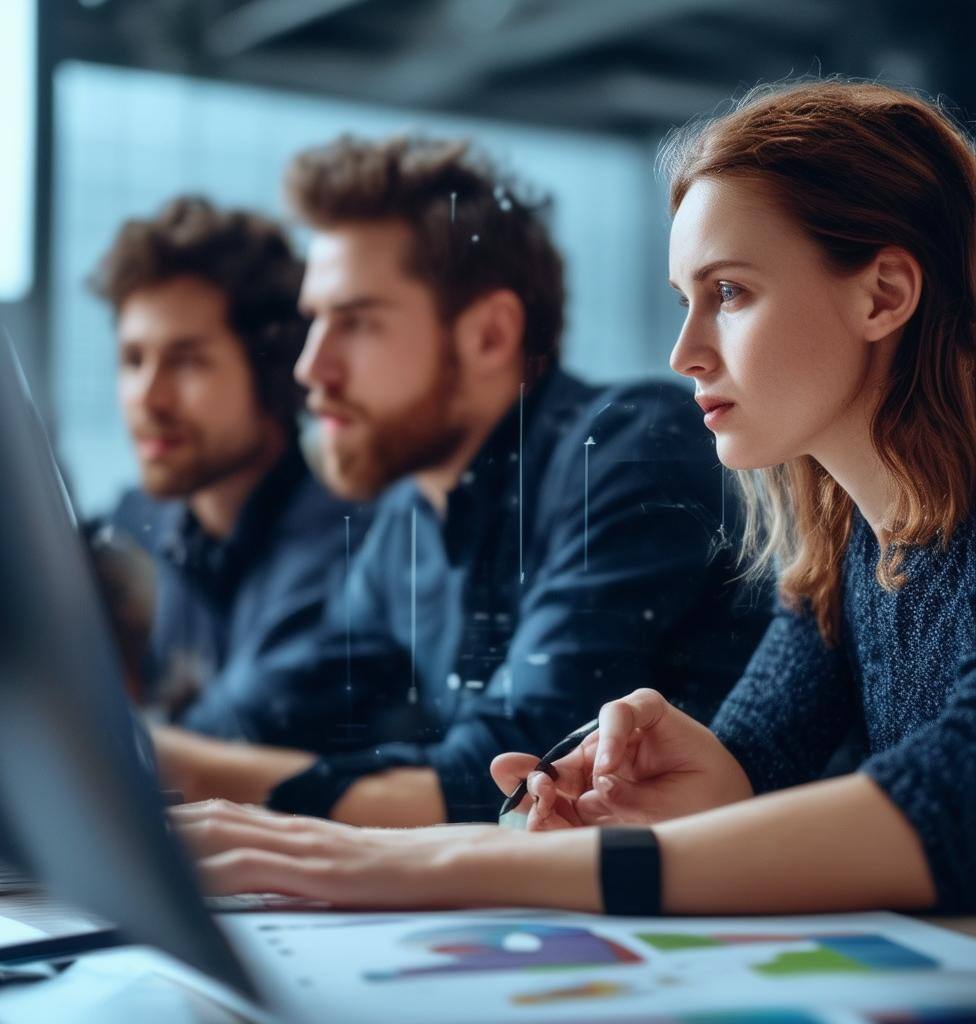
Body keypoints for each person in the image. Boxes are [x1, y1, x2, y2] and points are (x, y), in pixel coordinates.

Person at [172, 80, 976, 915]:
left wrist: (416, 863)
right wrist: (685, 794)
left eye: (730, 292)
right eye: (683, 301)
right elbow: (752, 764)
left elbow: (951, 799)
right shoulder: (839, 553)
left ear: (883, 293)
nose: (684, 352)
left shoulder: (622, 447)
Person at [155, 135, 768, 824]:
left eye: (355, 323)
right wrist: (136, 747)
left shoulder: (629, 445)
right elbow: (271, 707)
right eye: (314, 323)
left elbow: (514, 771)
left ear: (488, 336)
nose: (310, 368)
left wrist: (179, 764)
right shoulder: (406, 520)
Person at [91, 197, 382, 780]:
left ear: (274, 372)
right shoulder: (136, 522)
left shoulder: (350, 553)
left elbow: (221, 741)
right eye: (133, 359)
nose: (148, 398)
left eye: (187, 361)